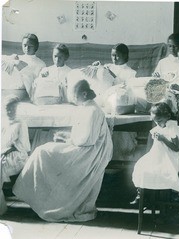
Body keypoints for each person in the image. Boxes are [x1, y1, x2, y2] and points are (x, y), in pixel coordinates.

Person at [13, 80, 113, 222]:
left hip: (90, 153)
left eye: (74, 96)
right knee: (43, 150)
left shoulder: (92, 110)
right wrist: (66, 136)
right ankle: (42, 199)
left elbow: (87, 140)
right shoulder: (86, 108)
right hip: (84, 147)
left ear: (84, 94)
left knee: (43, 153)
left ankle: (48, 202)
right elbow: (83, 135)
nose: (73, 99)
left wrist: (68, 140)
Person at [131, 102, 179, 204]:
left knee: (161, 170)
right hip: (163, 155)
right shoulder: (161, 125)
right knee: (141, 165)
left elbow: (176, 148)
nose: (157, 124)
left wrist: (163, 139)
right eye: (155, 121)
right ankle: (142, 193)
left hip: (176, 157)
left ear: (167, 117)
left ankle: (170, 195)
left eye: (159, 121)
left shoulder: (172, 128)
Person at [1, 95, 30, 215]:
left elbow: (24, 147)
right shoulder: (4, 122)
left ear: (17, 109)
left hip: (17, 156)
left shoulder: (21, 124)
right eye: (7, 108)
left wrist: (5, 151)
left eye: (12, 109)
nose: (9, 111)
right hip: (5, 153)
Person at [2, 33, 46, 99]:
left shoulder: (41, 64)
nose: (27, 48)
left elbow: (38, 83)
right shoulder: (17, 57)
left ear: (36, 47)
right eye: (25, 45)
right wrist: (13, 61)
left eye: (30, 46)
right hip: (8, 88)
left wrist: (23, 69)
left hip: (24, 92)